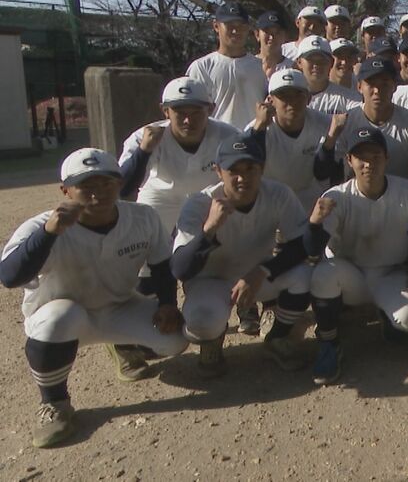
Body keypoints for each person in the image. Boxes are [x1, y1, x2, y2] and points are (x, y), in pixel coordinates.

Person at [2, 148, 187, 448]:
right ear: (65, 191)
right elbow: (10, 276)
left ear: (119, 182)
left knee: (176, 339)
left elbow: (162, 266)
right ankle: (54, 404)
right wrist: (49, 234)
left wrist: (167, 303)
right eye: (86, 186)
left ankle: (121, 344)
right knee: (60, 319)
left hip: (118, 307)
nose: (98, 193)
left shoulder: (141, 216)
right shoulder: (42, 226)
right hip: (61, 315)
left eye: (106, 183)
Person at [172, 136, 312, 378]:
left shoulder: (277, 193)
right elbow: (181, 269)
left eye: (250, 168)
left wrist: (264, 271)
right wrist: (209, 230)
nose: (242, 177)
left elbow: (304, 245)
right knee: (202, 323)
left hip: (255, 276)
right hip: (211, 281)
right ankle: (212, 341)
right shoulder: (199, 203)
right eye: (233, 170)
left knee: (306, 275)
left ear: (262, 168)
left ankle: (277, 338)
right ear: (218, 171)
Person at [305, 127, 408, 385]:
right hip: (351, 274)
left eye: (375, 156)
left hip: (391, 274)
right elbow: (310, 249)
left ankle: (387, 316)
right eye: (360, 157)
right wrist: (314, 224)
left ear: (386, 158)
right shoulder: (337, 196)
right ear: (349, 161)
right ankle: (329, 343)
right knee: (322, 274)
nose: (368, 163)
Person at [118, 77, 241, 234]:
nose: (188, 120)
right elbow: (124, 189)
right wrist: (144, 151)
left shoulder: (229, 135)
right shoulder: (144, 136)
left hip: (208, 196)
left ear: (210, 109)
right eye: (180, 113)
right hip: (161, 196)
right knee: (141, 235)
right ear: (165, 111)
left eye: (196, 112)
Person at [331, 57, 408, 183]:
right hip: (357, 197)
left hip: (402, 196)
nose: (377, 91)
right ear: (359, 87)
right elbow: (330, 170)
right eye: (371, 84)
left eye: (384, 84)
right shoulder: (346, 122)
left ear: (394, 86)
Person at [246, 69, 335, 212]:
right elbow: (248, 168)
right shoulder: (257, 129)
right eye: (284, 96)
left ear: (309, 98)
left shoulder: (325, 124)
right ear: (270, 100)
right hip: (270, 203)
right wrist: (259, 128)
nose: (292, 102)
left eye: (298, 95)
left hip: (311, 203)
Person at [186, 1, 267, 127]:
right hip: (216, 141)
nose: (236, 31)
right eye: (229, 25)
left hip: (254, 140)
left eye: (241, 25)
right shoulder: (202, 67)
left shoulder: (261, 66)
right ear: (216, 26)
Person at [295, 36, 361, 115]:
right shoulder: (289, 97)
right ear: (299, 62)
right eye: (311, 60)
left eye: (322, 60)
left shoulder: (351, 98)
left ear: (331, 63)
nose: (316, 65)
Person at [254, 11, 292, 76]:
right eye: (267, 32)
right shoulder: (248, 65)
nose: (271, 37)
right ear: (257, 34)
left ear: (285, 36)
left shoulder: (293, 68)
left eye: (277, 33)